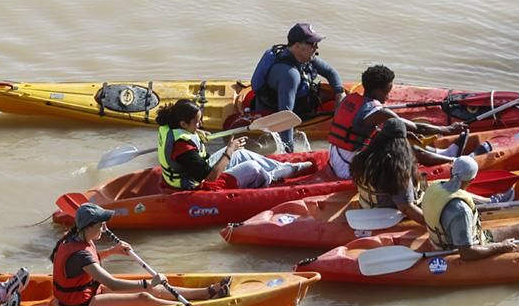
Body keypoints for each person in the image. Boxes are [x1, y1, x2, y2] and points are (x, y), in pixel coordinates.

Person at [50, 203, 232, 306]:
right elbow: (112, 283)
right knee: (144, 296)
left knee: (155, 289)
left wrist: (112, 251)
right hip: (80, 304)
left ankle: (206, 293)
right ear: (88, 227)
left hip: (90, 290)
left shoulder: (72, 237)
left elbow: (75, 265)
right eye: (101, 224)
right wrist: (147, 283)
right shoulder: (80, 253)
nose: (105, 227)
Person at [328, 64, 469, 179]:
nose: (389, 96)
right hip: (347, 168)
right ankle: (455, 161)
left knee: (398, 137)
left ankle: (441, 152)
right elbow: (417, 127)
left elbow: (361, 129)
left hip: (336, 157)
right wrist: (448, 129)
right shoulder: (378, 111)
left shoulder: (349, 99)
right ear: (377, 90)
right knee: (406, 149)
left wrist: (404, 134)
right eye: (387, 91)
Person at [421, 156, 519, 260]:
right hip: (454, 250)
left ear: (452, 172)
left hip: (441, 241)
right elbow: (467, 253)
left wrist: (488, 202)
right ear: (472, 180)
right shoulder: (461, 210)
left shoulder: (435, 186)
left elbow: (459, 196)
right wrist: (502, 246)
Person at [157, 100, 314, 190]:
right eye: (197, 122)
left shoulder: (171, 125)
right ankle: (273, 176)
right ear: (183, 123)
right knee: (252, 168)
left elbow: (185, 137)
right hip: (193, 185)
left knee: (241, 153)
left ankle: (286, 168)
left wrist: (196, 132)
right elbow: (209, 178)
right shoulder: (183, 147)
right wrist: (228, 151)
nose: (200, 124)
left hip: (196, 170)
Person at [250, 22, 345, 152]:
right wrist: (289, 151)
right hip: (278, 111)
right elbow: (286, 117)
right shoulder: (290, 75)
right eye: (312, 44)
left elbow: (330, 72)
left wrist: (340, 92)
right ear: (298, 46)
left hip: (294, 101)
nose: (316, 47)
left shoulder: (303, 57)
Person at [349, 118, 427, 225]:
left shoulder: (362, 157)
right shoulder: (397, 167)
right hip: (389, 216)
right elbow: (405, 208)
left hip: (367, 207)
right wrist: (433, 227)